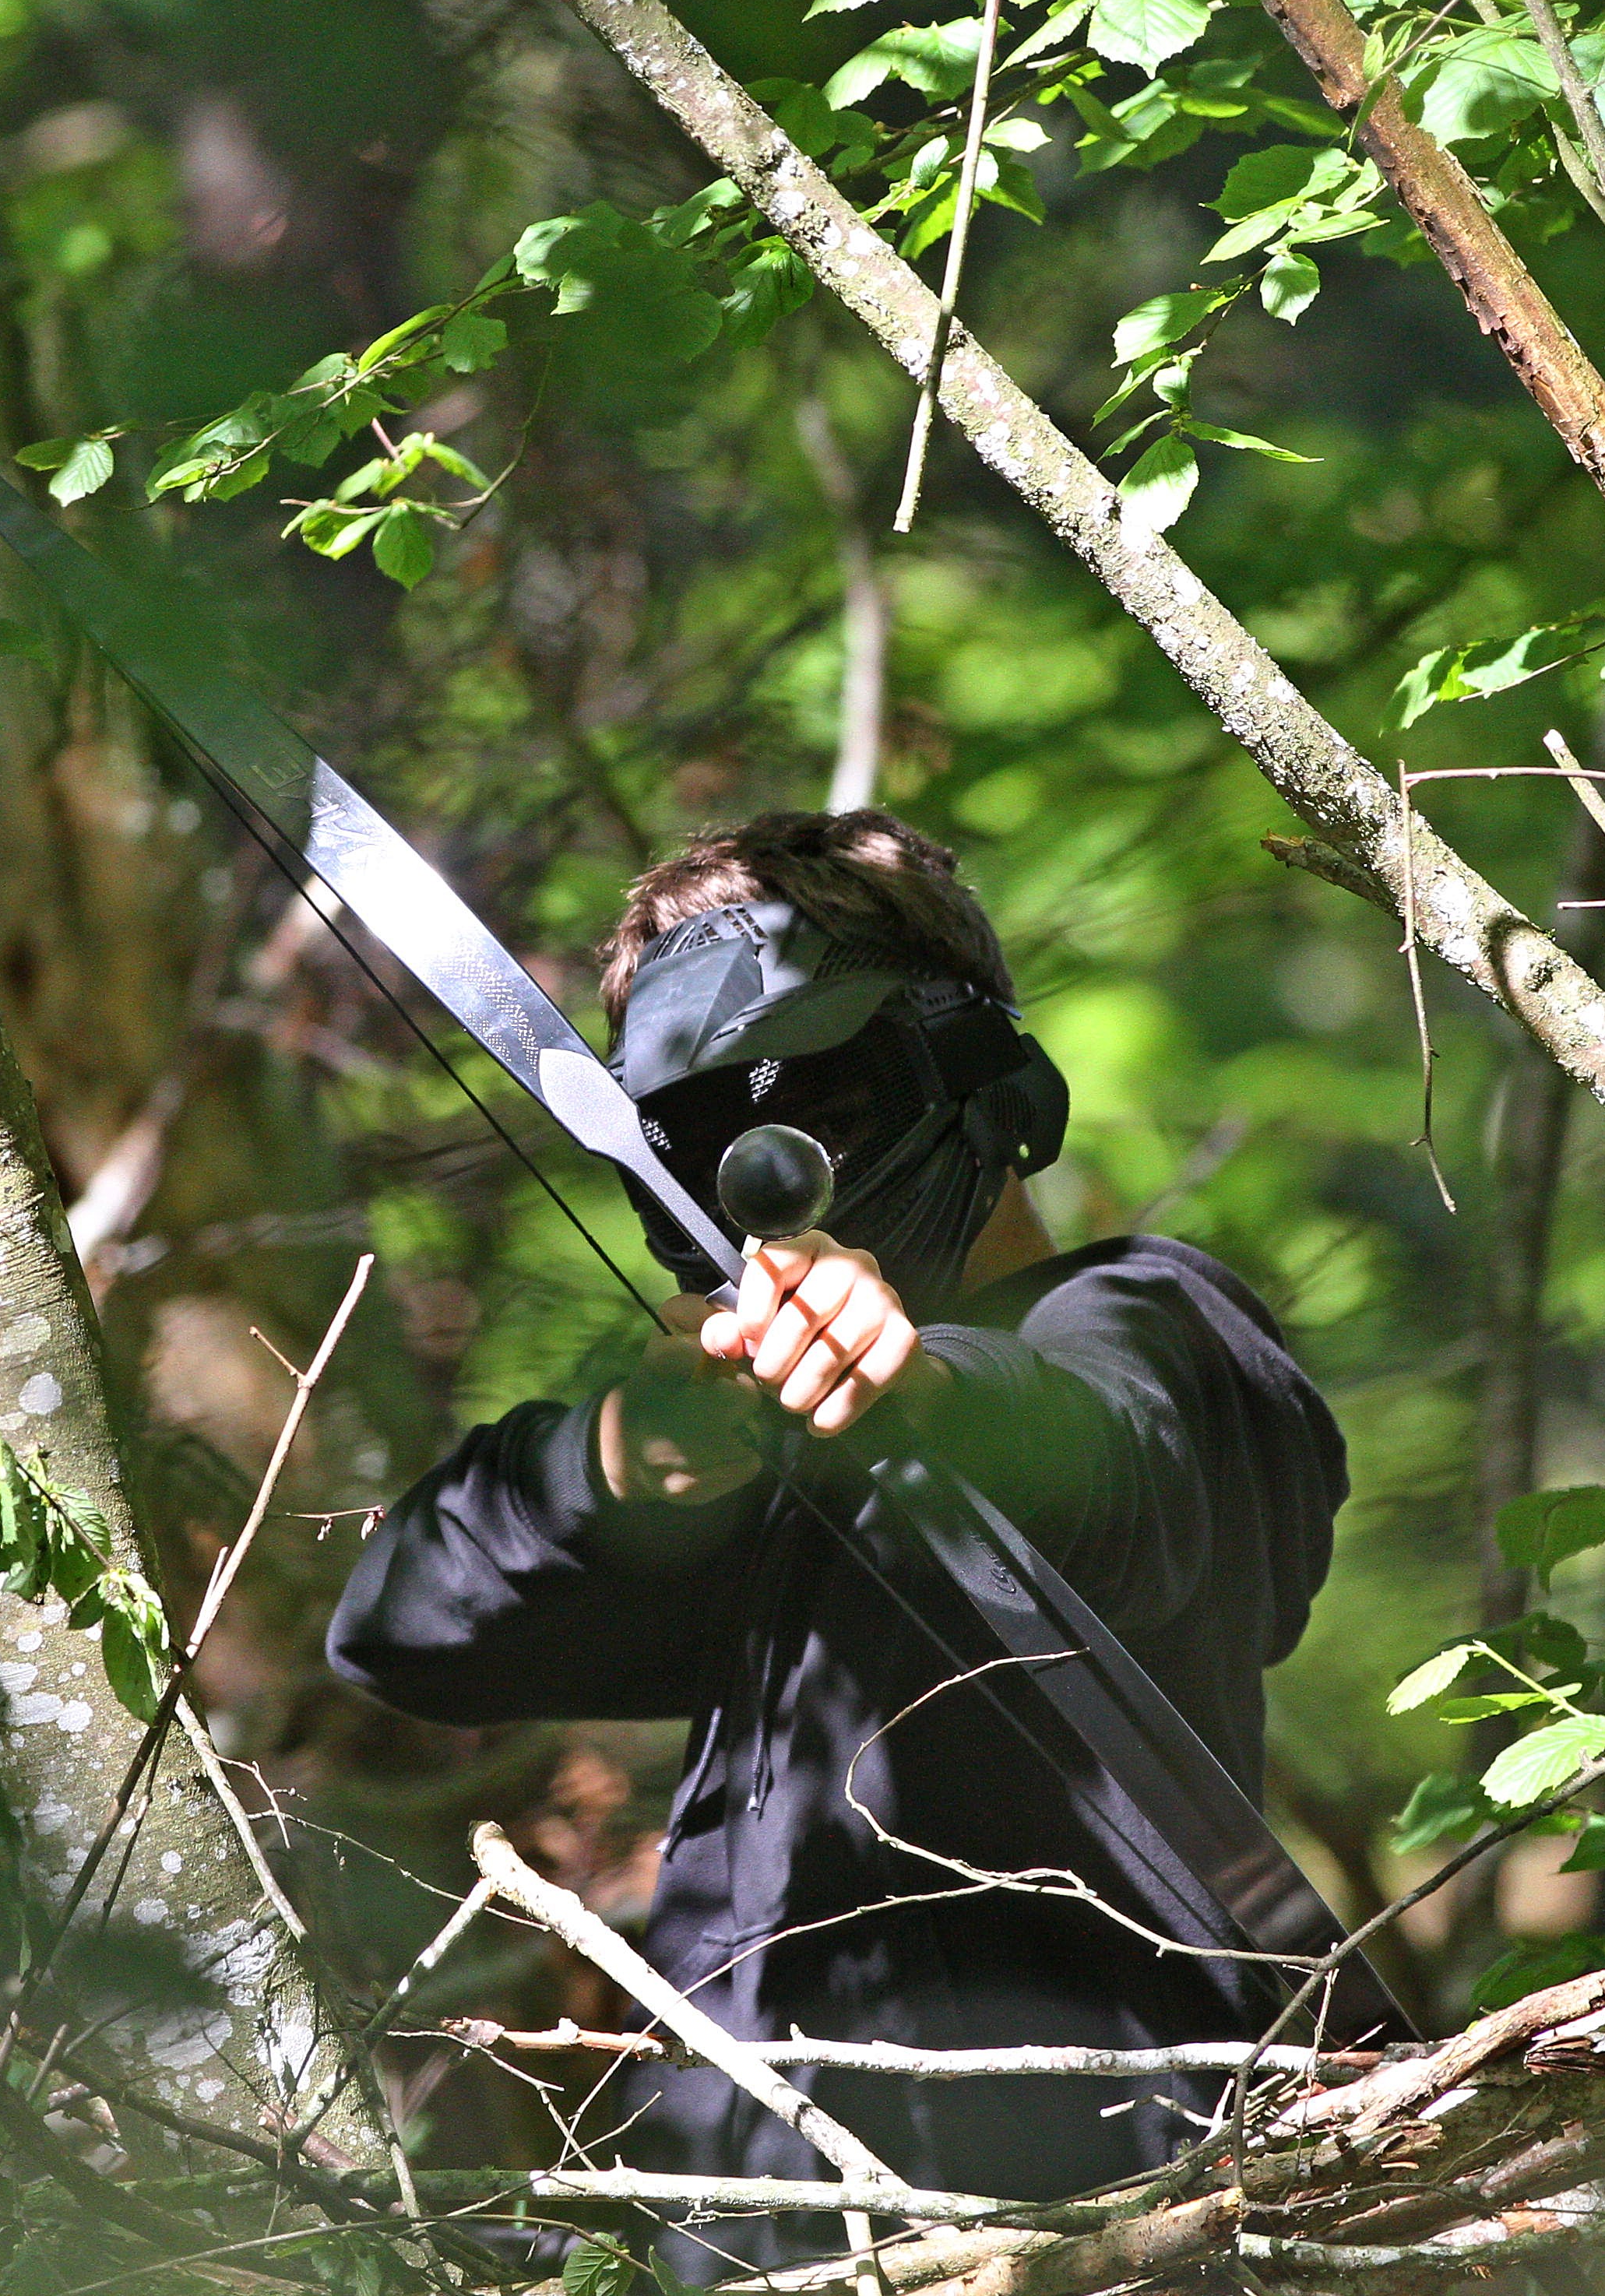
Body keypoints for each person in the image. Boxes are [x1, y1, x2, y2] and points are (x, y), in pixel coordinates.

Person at [326, 810, 1361, 2277]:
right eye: (701, 1133)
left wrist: (918, 1384)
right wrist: (625, 1462)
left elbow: (1133, 1464)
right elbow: (400, 1627)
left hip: (1096, 2223)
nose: (765, 1165)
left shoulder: (1148, 1316)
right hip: (766, 2240)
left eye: (827, 1096)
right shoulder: (741, 1470)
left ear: (982, 1075)